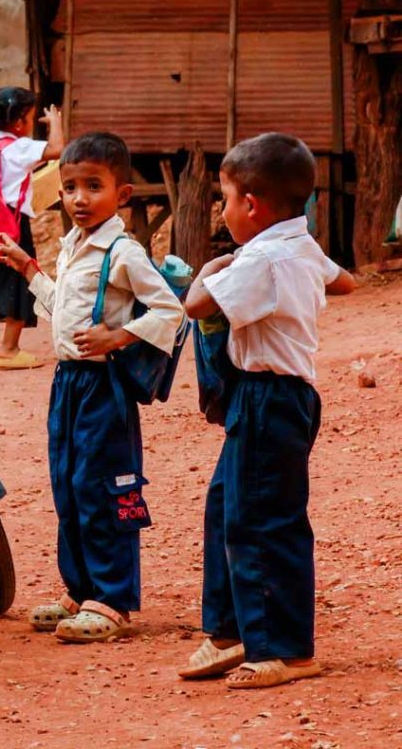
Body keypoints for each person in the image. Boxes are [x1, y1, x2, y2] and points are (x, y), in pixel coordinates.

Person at [178, 132, 356, 689]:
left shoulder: (263, 259)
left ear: (251, 205)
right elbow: (345, 281)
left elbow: (195, 305)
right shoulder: (299, 245)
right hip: (285, 397)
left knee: (263, 521)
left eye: (225, 199)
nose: (223, 210)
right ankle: (231, 631)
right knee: (227, 507)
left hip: (266, 397)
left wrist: (212, 268)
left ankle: (285, 649)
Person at [0, 132, 184, 641]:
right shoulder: (74, 246)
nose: (79, 198)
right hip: (69, 385)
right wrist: (29, 268)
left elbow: (171, 310)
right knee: (69, 486)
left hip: (104, 388)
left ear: (122, 195)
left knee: (106, 487)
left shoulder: (124, 252)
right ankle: (80, 590)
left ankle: (113, 600)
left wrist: (119, 336)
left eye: (93, 187)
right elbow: (66, 312)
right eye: (70, 187)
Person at [0, 86, 63, 370]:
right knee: (21, 276)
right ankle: (8, 348)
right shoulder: (20, 147)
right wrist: (56, 122)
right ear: (19, 123)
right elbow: (58, 150)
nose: (31, 125)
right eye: (30, 119)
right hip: (13, 222)